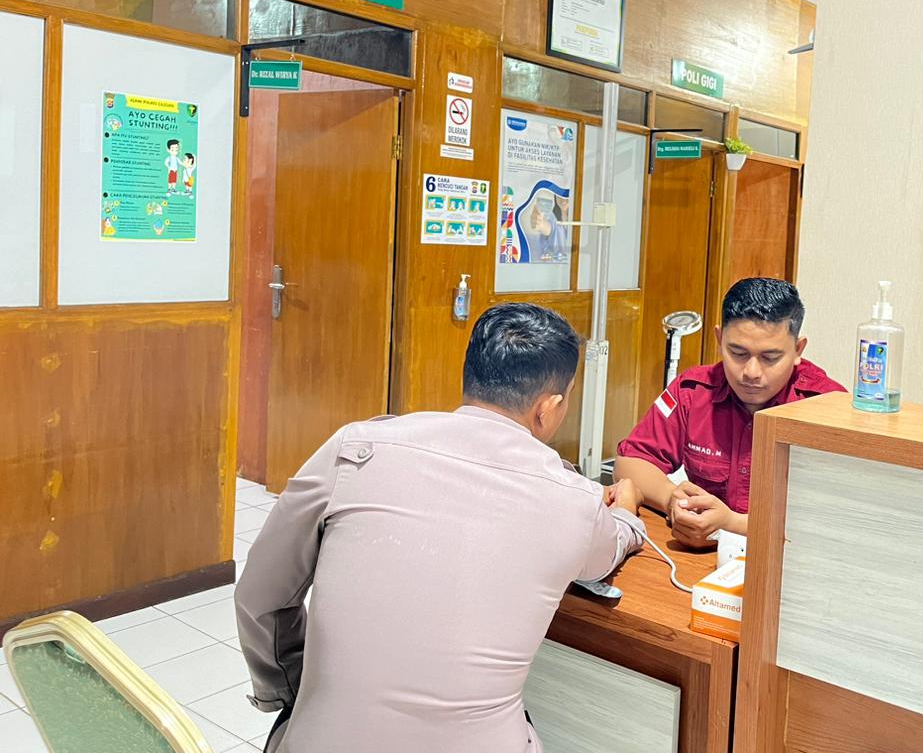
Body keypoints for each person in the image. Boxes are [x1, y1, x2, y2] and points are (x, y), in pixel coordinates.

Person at [235, 303, 647, 753]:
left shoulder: (357, 447)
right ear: (548, 408)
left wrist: (298, 693)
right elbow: (608, 552)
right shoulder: (573, 500)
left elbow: (261, 594)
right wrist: (626, 511)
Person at [615, 277, 845, 549]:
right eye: (738, 353)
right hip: (703, 558)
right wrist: (675, 500)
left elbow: (839, 519)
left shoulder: (827, 407)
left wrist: (731, 523)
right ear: (719, 339)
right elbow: (630, 463)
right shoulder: (693, 391)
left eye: (770, 358)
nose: (751, 372)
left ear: (798, 350)